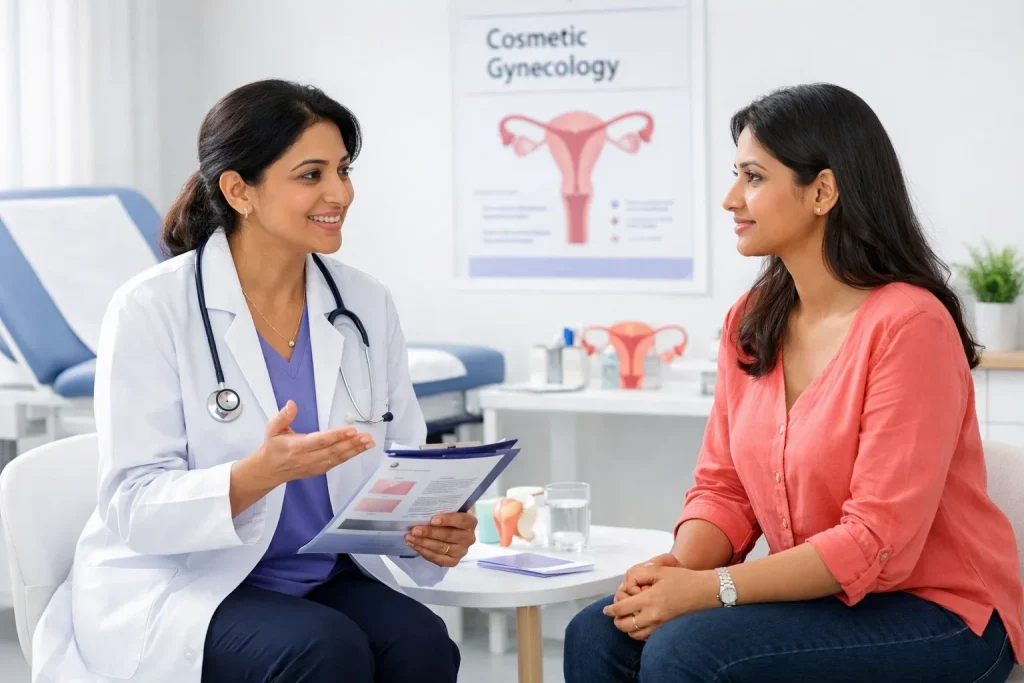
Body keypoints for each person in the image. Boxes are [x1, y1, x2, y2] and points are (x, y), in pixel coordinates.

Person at [564, 83, 1023, 682]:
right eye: (736, 175)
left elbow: (873, 541)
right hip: (825, 605)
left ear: (823, 191)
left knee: (690, 651)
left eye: (753, 176)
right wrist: (676, 569)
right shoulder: (752, 320)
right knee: (598, 633)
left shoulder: (910, 326)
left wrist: (707, 590)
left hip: (942, 613)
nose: (731, 199)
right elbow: (724, 489)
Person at [31, 80, 472, 683]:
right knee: (321, 649)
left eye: (343, 170)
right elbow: (133, 503)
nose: (339, 193)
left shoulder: (365, 304)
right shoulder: (154, 307)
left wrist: (429, 529)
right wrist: (255, 476)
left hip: (321, 569)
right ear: (240, 190)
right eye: (310, 175)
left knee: (421, 642)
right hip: (190, 577)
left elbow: (404, 461)